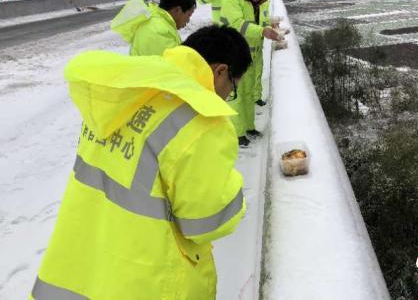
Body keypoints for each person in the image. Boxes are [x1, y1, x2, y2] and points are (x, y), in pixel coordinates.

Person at [31, 25, 252, 300]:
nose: (226, 94)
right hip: (147, 278)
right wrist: (234, 187)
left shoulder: (128, 93)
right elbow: (205, 222)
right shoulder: (201, 121)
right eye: (232, 85)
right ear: (221, 71)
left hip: (78, 267)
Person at [220, 0, 279, 147]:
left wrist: (269, 26)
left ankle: (248, 127)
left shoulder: (258, 2)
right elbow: (238, 23)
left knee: (247, 94)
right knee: (236, 95)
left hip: (252, 53)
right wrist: (263, 31)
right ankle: (236, 134)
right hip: (234, 53)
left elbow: (260, 22)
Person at [111, 0, 196, 56]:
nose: (188, 20)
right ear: (177, 10)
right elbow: (176, 66)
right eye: (189, 15)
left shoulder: (159, 23)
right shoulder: (158, 31)